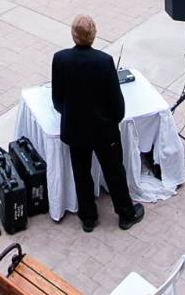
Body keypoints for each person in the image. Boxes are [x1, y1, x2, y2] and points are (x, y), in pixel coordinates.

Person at [51, 14, 144, 233]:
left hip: (74, 129)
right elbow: (117, 103)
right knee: (114, 171)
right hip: (103, 130)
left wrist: (72, 115)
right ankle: (125, 214)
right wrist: (111, 120)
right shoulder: (104, 62)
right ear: (94, 35)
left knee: (81, 173)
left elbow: (57, 99)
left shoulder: (60, 59)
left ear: (73, 35)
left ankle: (88, 217)